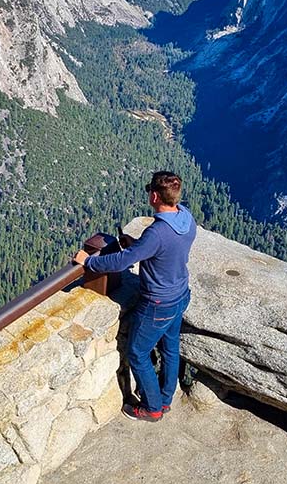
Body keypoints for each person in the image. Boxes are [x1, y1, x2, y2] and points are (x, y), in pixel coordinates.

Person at [73, 171, 197, 422]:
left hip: (158, 304)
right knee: (170, 348)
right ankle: (165, 398)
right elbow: (160, 250)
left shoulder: (157, 233)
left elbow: (122, 261)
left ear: (154, 196)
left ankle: (152, 409)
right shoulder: (186, 217)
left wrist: (89, 262)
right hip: (180, 294)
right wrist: (138, 244)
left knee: (138, 354)